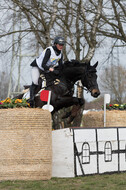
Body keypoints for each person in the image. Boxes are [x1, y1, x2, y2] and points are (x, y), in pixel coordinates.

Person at [28, 36, 65, 107]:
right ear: (55, 44)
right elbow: (43, 64)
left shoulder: (60, 54)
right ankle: (31, 99)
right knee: (35, 82)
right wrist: (53, 70)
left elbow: (61, 66)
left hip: (47, 69)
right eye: (60, 45)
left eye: (62, 45)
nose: (61, 46)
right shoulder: (49, 51)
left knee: (50, 82)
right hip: (38, 67)